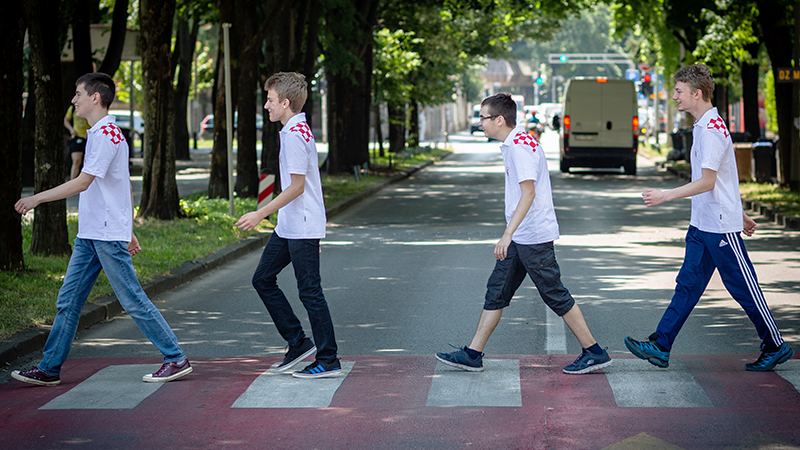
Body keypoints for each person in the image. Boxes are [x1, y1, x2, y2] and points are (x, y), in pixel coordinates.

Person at [12, 73, 191, 386]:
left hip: (106, 235)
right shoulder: (98, 133)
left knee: (132, 299)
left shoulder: (107, 134)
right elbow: (123, 184)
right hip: (91, 234)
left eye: (78, 94)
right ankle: (49, 368)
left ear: (95, 97)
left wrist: (37, 198)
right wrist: (130, 228)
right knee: (68, 301)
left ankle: (175, 357)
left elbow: (83, 182)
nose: (73, 100)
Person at [625, 63, 794, 371]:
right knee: (687, 285)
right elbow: (725, 180)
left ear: (697, 93)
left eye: (679, 91)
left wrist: (665, 195)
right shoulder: (702, 127)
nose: (674, 96)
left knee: (744, 287)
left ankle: (775, 344)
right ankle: (661, 345)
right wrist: (741, 213)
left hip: (718, 228)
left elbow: (708, 182)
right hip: (702, 225)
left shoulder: (713, 131)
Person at [435, 93, 612, 375]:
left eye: (483, 118)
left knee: (554, 294)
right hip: (522, 236)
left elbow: (528, 193)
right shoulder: (516, 142)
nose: (479, 123)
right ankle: (473, 354)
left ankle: (594, 351)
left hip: (533, 237)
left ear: (499, 120)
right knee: (497, 291)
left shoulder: (519, 147)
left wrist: (507, 234)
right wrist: (512, 235)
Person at [235, 72, 340, 379]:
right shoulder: (296, 129)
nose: (266, 105)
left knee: (310, 292)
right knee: (263, 279)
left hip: (302, 226)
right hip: (290, 225)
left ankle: (328, 358)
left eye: (269, 100)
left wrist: (260, 214)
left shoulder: (295, 135)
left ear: (285, 102)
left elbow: (296, 187)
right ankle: (298, 342)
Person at [64, 103, 90, 180]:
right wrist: (71, 130)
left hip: (88, 137)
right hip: (76, 137)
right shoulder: (72, 108)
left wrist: (90, 131)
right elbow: (66, 120)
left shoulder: (89, 107)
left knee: (88, 162)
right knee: (76, 161)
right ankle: (73, 181)